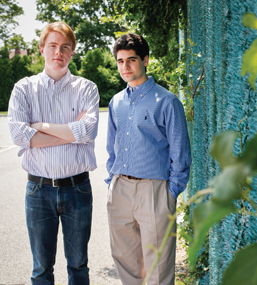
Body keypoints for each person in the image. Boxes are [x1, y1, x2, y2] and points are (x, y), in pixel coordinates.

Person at [8, 22, 99, 284]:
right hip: (38, 192)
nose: (58, 52)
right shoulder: (24, 89)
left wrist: (40, 128)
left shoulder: (87, 89)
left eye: (65, 47)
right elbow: (18, 137)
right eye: (53, 46)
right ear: (41, 49)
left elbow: (88, 132)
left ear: (72, 52)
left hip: (78, 189)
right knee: (41, 269)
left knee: (79, 266)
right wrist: (71, 133)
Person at [105, 33, 192, 285]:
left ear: (145, 60)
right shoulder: (116, 102)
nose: (125, 67)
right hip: (120, 189)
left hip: (154, 191)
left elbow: (181, 153)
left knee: (158, 266)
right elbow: (112, 147)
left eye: (131, 60)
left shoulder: (167, 101)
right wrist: (111, 180)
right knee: (125, 260)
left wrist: (171, 192)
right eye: (120, 61)